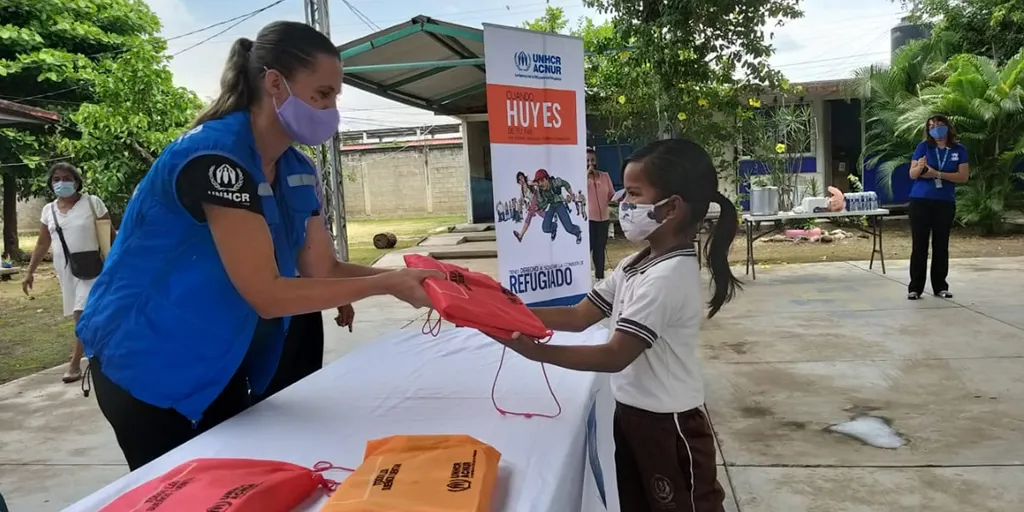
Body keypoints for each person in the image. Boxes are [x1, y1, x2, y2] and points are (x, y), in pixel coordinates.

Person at [74, 21, 441, 471]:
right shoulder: (214, 160)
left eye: (335, 98)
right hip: (151, 362)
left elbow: (321, 268)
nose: (331, 110)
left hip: (221, 361)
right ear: (275, 84)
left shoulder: (295, 168)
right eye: (322, 94)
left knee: (235, 483)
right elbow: (266, 294)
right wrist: (388, 285)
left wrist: (418, 280)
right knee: (181, 494)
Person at [492, 139, 740, 511]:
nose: (622, 204)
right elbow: (579, 316)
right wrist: (502, 310)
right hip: (634, 414)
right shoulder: (635, 265)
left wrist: (536, 351)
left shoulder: (668, 276)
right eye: (623, 193)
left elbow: (615, 355)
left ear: (671, 207)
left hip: (668, 425)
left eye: (634, 195)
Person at [23, 163, 115, 383]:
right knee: (87, 315)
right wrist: (30, 272)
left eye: (66, 178)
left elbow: (110, 236)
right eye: (56, 179)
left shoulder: (92, 203)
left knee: (80, 314)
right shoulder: (48, 210)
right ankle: (99, 350)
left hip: (93, 268)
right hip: (66, 271)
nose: (61, 183)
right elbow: (43, 242)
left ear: (76, 181)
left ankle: (74, 364)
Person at [907, 114, 969, 300]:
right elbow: (912, 174)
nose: (935, 129)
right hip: (920, 201)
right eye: (931, 126)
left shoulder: (959, 149)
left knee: (941, 245)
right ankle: (915, 288)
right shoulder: (923, 147)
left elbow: (963, 177)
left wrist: (938, 174)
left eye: (939, 125)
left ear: (947, 127)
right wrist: (920, 168)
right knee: (920, 245)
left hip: (944, 202)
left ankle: (940, 286)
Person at [586, 148, 615, 279]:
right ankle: (584, 278)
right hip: (589, 219)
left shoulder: (605, 176)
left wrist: (619, 198)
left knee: (600, 249)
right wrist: (587, 175)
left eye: (592, 160)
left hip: (603, 218)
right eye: (587, 160)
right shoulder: (580, 177)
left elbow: (611, 194)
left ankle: (600, 276)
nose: (590, 163)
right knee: (589, 248)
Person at [534, 169, 582, 244]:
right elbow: (543, 202)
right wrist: (537, 207)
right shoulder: (541, 191)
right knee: (545, 228)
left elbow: (565, 183)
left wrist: (571, 193)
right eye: (538, 182)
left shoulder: (555, 182)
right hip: (551, 206)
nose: (541, 184)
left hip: (559, 205)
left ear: (547, 179)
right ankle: (554, 228)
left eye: (542, 181)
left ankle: (577, 232)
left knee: (568, 228)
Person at [513, 171, 543, 242]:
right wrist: (520, 206)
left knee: (529, 217)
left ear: (524, 177)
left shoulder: (528, 183)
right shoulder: (522, 190)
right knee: (542, 213)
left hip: (536, 199)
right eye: (519, 179)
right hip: (532, 203)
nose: (521, 180)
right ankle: (551, 219)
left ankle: (521, 235)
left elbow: (537, 185)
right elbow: (521, 199)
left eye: (522, 178)